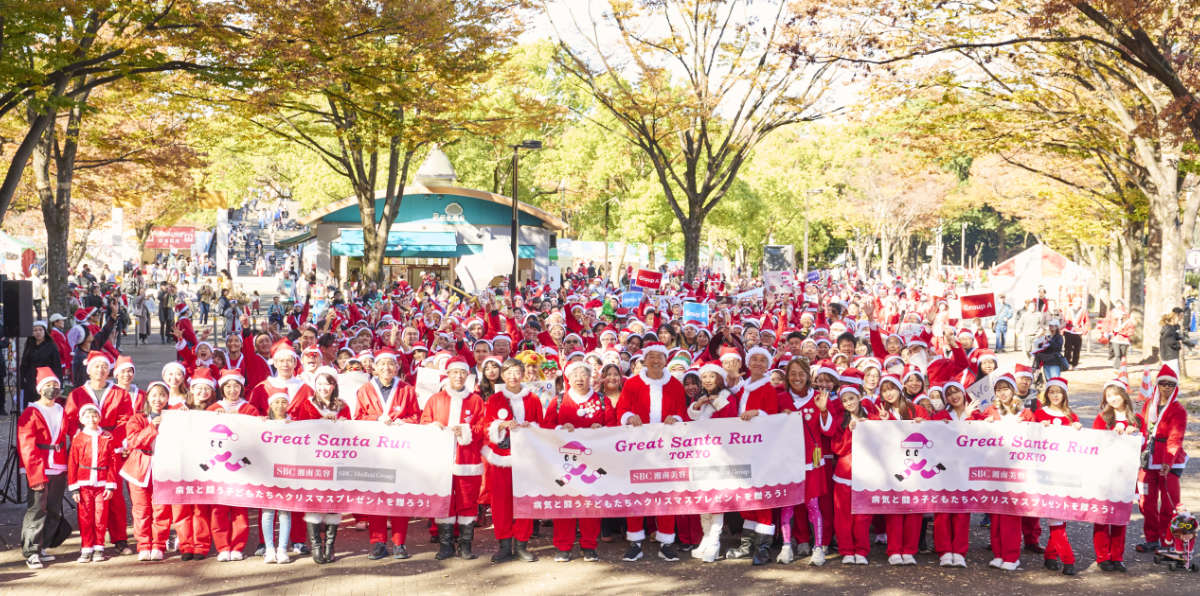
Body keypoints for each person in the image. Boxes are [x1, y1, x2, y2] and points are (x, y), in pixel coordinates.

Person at [616, 343, 687, 563]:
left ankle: (666, 542)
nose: (656, 361)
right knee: (636, 493)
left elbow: (682, 413)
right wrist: (629, 416)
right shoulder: (633, 384)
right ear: (644, 361)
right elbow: (622, 409)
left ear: (666, 360)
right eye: (651, 357)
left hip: (666, 450)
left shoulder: (675, 385)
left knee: (666, 494)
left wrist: (676, 419)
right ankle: (635, 541)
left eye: (660, 357)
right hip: (638, 448)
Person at [543, 360, 615, 562]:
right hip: (564, 461)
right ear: (568, 378)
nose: (579, 378)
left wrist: (600, 430)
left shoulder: (602, 400)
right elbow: (546, 426)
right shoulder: (558, 400)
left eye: (583, 374)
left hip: (593, 460)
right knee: (564, 502)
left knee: (591, 503)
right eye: (574, 375)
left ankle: (589, 545)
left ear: (590, 377)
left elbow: (613, 425)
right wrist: (559, 430)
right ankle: (563, 546)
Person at [353, 349, 420, 561]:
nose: (386, 368)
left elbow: (416, 417)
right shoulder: (364, 390)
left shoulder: (407, 390)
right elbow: (358, 418)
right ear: (374, 367)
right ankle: (378, 542)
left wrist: (401, 422)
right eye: (381, 364)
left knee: (400, 496)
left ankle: (399, 542)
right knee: (375, 497)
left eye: (390, 364)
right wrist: (375, 420)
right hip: (374, 452)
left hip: (400, 452)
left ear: (397, 367)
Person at [420, 357, 486, 560]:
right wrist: (434, 428)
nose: (458, 376)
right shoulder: (435, 399)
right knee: (444, 500)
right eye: (454, 372)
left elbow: (482, 427)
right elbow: (425, 422)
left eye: (462, 373)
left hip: (468, 459)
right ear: (448, 375)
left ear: (467, 375)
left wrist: (465, 430)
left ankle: (465, 545)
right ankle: (446, 545)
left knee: (468, 500)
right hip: (442, 459)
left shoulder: (476, 400)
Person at [483, 358, 545, 563]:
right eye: (508, 372)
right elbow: (487, 427)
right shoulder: (495, 399)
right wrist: (501, 426)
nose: (513, 376)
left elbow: (542, 427)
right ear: (503, 375)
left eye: (517, 372)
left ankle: (521, 544)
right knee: (501, 503)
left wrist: (531, 427)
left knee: (524, 500)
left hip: (526, 458)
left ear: (524, 374)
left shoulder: (533, 399)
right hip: (501, 459)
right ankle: (503, 545)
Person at [1024, 377, 1083, 575]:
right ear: (1046, 394)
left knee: (1059, 516)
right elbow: (1028, 438)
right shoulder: (1039, 414)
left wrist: (1077, 430)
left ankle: (1050, 555)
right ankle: (1068, 559)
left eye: (1059, 392)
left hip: (1065, 472)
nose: (1055, 395)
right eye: (1052, 392)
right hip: (1044, 473)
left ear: (1064, 394)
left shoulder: (1071, 416)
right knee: (1055, 517)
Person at [291, 366, 349, 563]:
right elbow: (300, 430)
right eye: (320, 383)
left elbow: (351, 432)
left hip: (336, 461)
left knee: (333, 503)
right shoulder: (306, 405)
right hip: (313, 462)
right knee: (314, 502)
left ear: (334, 386)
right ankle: (316, 544)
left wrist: (338, 422)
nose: (324, 388)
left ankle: (330, 545)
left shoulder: (343, 406)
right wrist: (321, 421)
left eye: (328, 383)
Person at [18, 368, 72, 569]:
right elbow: (26, 445)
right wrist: (34, 473)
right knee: (36, 509)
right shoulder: (31, 412)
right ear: (40, 389)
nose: (52, 389)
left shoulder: (60, 410)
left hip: (58, 465)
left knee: (53, 509)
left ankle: (43, 545)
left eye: (55, 386)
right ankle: (31, 550)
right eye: (48, 386)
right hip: (40, 466)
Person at [206, 369, 260, 561]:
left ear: (241, 388)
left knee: (239, 509)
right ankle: (222, 547)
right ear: (222, 388)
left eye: (235, 386)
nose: (232, 390)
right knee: (218, 509)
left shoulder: (250, 409)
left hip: (241, 470)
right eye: (227, 386)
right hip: (218, 471)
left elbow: (256, 438)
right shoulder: (212, 410)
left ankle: (237, 546)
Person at [1135, 364, 1189, 554]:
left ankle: (1168, 541)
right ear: (1158, 385)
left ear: (1175, 388)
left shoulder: (1178, 410)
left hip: (1170, 461)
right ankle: (1152, 539)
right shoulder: (1149, 404)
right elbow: (1141, 427)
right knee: (1146, 502)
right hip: (1148, 459)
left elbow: (1175, 437)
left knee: (1168, 504)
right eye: (1163, 383)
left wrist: (1168, 462)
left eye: (1170, 385)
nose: (1166, 387)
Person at [929, 381, 983, 567]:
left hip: (966, 469)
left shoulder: (976, 415)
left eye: (956, 391)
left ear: (963, 392)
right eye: (949, 393)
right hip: (943, 469)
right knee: (943, 511)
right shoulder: (940, 416)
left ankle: (959, 551)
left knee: (962, 511)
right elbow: (933, 439)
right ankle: (944, 551)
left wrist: (967, 419)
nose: (954, 396)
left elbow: (979, 440)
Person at [1092, 379, 1142, 572]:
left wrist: (1135, 434)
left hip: (1126, 476)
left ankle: (1117, 556)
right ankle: (1102, 556)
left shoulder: (1136, 419)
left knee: (1120, 517)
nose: (1113, 399)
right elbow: (1095, 444)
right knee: (1103, 516)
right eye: (1109, 396)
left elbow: (1143, 447)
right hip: (1105, 474)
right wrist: (1112, 434)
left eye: (1116, 394)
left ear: (1124, 395)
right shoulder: (1102, 418)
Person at [121, 382, 172, 561]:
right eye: (154, 395)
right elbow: (134, 441)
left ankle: (159, 544)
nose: (158, 399)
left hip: (164, 467)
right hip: (139, 467)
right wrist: (153, 427)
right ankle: (143, 544)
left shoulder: (174, 417)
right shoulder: (137, 418)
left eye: (162, 395)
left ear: (168, 398)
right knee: (141, 509)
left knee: (162, 509)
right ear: (148, 397)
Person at [67, 403, 118, 563]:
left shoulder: (106, 437)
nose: (92, 419)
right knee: (85, 516)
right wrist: (74, 488)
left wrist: (110, 484)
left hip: (102, 483)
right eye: (88, 416)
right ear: (81, 419)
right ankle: (86, 547)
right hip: (84, 483)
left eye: (95, 415)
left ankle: (99, 547)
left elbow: (112, 462)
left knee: (100, 516)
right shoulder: (78, 439)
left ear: (100, 418)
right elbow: (72, 463)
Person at [260, 393, 294, 565]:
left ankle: (282, 549)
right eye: (276, 402)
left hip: (287, 473)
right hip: (267, 473)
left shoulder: (295, 423)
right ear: (270, 405)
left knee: (285, 512)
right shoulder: (263, 423)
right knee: (267, 512)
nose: (280, 405)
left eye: (283, 402)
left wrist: (293, 427)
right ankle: (269, 549)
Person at [20, 321, 63, 411]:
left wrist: (59, 384)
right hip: (31, 381)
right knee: (30, 407)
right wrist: (22, 380)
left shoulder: (51, 346)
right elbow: (24, 364)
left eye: (40, 330)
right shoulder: (29, 345)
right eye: (35, 330)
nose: (38, 332)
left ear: (44, 331)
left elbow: (57, 366)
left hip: (46, 381)